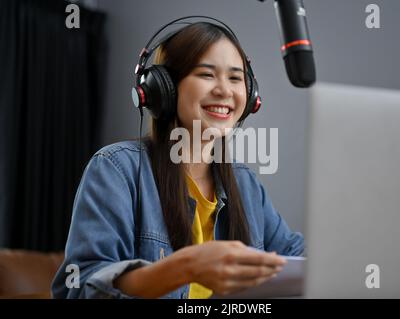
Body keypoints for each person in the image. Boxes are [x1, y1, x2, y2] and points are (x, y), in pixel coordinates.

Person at [51, 19, 304, 299]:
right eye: (207, 75)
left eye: (235, 78)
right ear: (165, 89)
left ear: (251, 96)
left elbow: (300, 261)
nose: (225, 90)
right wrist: (187, 266)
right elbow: (79, 288)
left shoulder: (246, 186)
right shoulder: (116, 169)